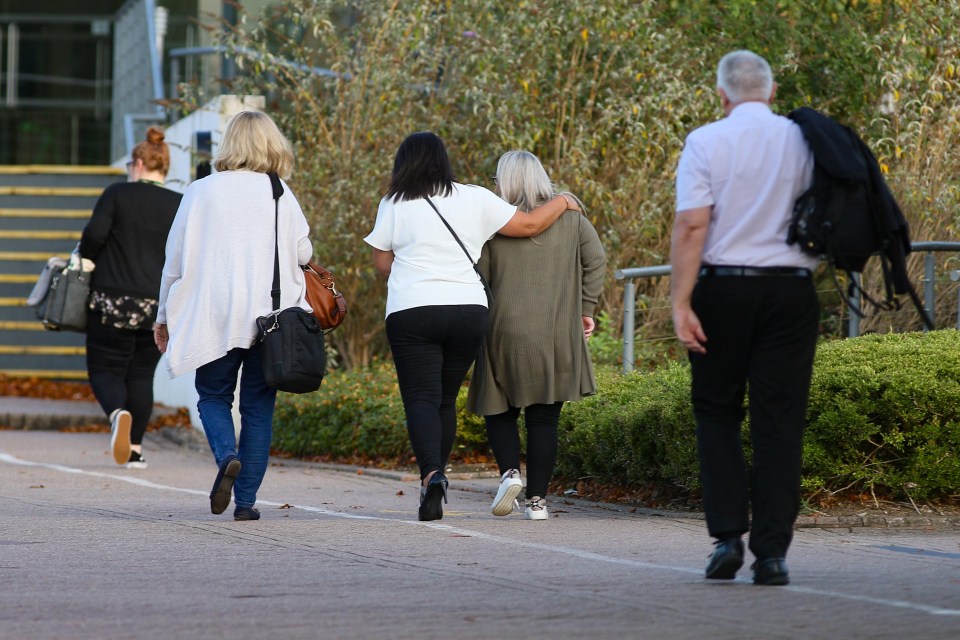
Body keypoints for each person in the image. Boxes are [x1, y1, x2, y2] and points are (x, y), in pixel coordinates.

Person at [364, 132, 581, 522]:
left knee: (421, 398)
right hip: (467, 310)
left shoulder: (393, 203)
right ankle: (441, 475)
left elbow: (382, 264)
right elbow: (530, 225)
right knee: (445, 398)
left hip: (412, 310)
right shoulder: (477, 196)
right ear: (443, 161)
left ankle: (433, 475)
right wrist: (564, 201)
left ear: (403, 164)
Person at [670, 50, 819, 586]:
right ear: (772, 92)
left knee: (717, 412)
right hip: (792, 293)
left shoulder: (706, 141)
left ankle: (727, 537)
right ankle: (774, 554)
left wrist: (680, 302)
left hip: (723, 290)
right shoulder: (805, 140)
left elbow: (692, 225)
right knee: (780, 420)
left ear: (722, 95)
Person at [154, 110, 313, 521]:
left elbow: (174, 262)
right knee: (258, 409)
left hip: (215, 316)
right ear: (271, 144)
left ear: (230, 145)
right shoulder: (281, 192)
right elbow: (303, 254)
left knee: (212, 396)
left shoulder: (200, 191)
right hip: (270, 319)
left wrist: (162, 317)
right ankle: (245, 504)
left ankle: (226, 455)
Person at [466, 150, 605, 520]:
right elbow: (596, 260)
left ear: (506, 182)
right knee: (544, 418)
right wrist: (585, 309)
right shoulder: (572, 218)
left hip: (502, 328)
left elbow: (482, 275)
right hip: (557, 331)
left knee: (500, 409)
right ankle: (538, 503)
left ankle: (510, 474)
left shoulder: (494, 225)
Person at [79, 125, 182, 469]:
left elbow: (94, 234)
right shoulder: (179, 204)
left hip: (111, 301)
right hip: (156, 304)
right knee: (140, 375)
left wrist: (87, 258)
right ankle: (135, 449)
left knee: (104, 368)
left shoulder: (117, 194)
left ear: (138, 164)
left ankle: (117, 413)